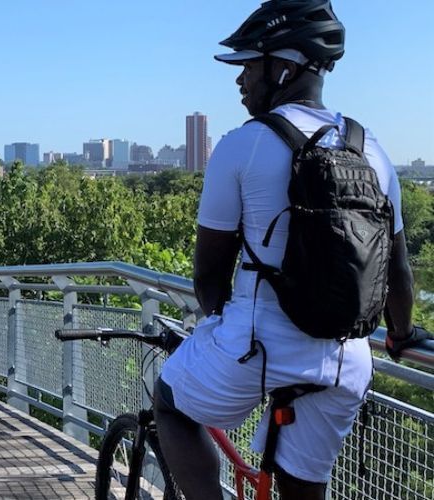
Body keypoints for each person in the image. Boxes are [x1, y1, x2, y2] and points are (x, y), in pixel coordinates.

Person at [152, 1, 432, 499]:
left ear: (284, 68)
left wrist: (219, 325)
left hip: (256, 349)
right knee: (302, 489)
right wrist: (403, 335)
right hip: (346, 360)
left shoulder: (243, 145)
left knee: (170, 404)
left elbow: (207, 274)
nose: (240, 81)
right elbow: (399, 272)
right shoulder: (372, 150)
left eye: (249, 67)